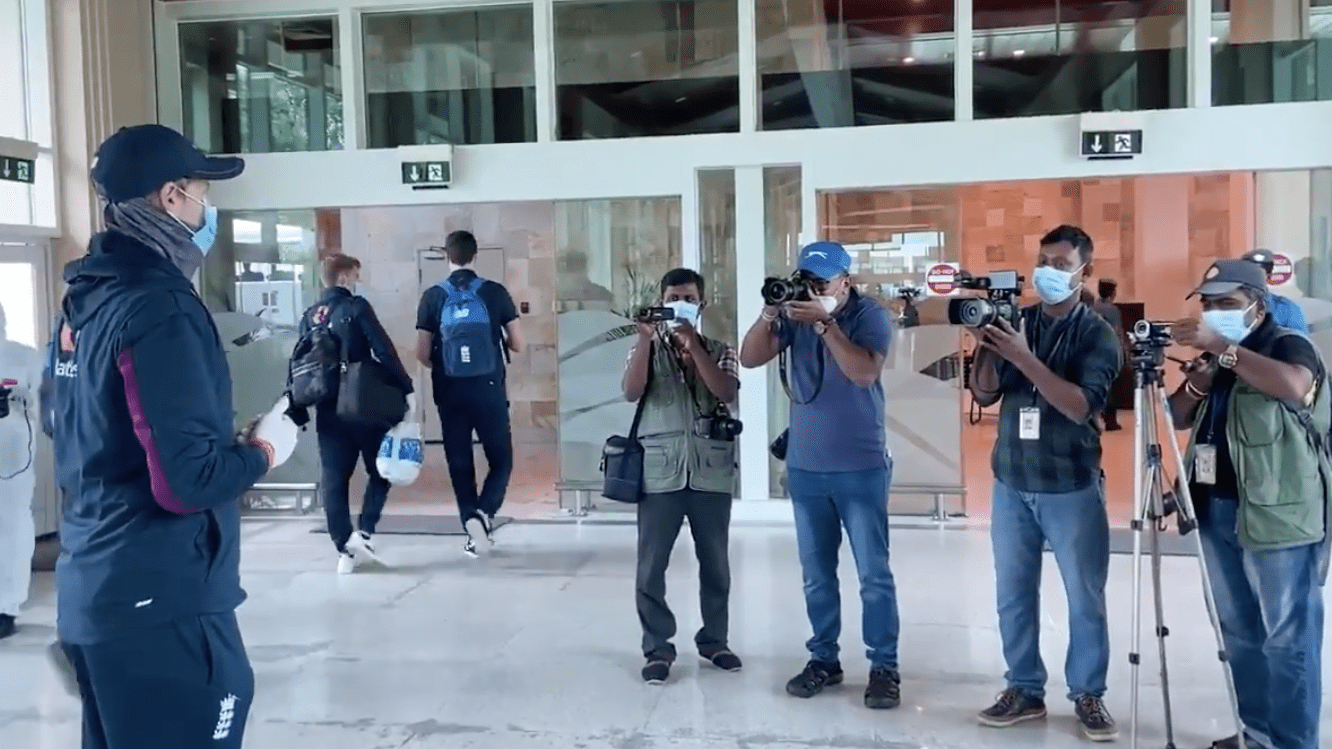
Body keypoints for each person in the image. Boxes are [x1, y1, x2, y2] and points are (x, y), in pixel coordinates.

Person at [50, 124, 299, 749]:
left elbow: (82, 430)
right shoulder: (158, 307)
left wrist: (217, 439)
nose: (205, 209)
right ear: (169, 198)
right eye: (198, 193)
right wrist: (264, 452)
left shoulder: (87, 302)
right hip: (162, 602)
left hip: (95, 589)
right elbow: (186, 484)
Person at [967, 224, 1121, 741]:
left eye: (1060, 263)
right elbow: (984, 394)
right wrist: (988, 344)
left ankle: (1088, 693)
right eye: (1043, 260)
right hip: (1011, 478)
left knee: (1084, 595)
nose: (1048, 272)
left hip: (1070, 484)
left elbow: (1081, 406)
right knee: (1012, 591)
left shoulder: (1097, 333)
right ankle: (1025, 688)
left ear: (1084, 272)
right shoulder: (1018, 321)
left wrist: (1023, 357)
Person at [1168, 259, 1328, 749]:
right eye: (1209, 304)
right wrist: (1201, 376)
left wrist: (1226, 350)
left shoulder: (1286, 343)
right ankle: (1256, 732)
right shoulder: (1220, 354)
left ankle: (1292, 741)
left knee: (1287, 636)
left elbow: (1295, 386)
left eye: (1227, 304)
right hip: (1218, 507)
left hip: (1280, 515)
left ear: (1257, 305)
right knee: (1239, 630)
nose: (1215, 313)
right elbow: (1176, 414)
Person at [739, 241, 900, 710]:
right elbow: (749, 359)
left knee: (873, 574)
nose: (812, 289)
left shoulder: (868, 315)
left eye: (822, 282)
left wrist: (825, 324)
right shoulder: (793, 314)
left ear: (845, 281)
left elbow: (864, 373)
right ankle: (823, 659)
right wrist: (771, 314)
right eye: (806, 279)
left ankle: (884, 666)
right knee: (816, 575)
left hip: (861, 465)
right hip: (807, 467)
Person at [622, 268, 742, 685]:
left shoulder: (719, 348)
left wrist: (694, 346)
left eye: (687, 298)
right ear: (661, 300)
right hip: (659, 474)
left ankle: (715, 640)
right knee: (651, 567)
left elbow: (726, 392)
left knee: (716, 566)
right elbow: (631, 391)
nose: (680, 304)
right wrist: (643, 340)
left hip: (711, 473)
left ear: (701, 303)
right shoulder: (647, 349)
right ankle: (657, 648)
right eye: (672, 297)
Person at [292, 254, 415, 575]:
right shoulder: (357, 308)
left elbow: (301, 362)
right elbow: (384, 349)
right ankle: (365, 531)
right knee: (381, 470)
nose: (357, 281)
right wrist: (406, 388)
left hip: (327, 408)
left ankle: (345, 547)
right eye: (355, 275)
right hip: (362, 403)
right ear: (344, 278)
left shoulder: (309, 316)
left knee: (334, 478)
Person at [415, 230, 523, 557]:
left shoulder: (433, 296)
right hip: (488, 388)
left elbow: (420, 352)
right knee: (501, 459)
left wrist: (446, 365)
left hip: (449, 391)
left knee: (460, 463)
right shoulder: (494, 292)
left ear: (446, 255)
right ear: (476, 255)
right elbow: (518, 343)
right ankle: (484, 513)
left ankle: (471, 526)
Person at [0, 301, 42, 640]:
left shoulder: (25, 358)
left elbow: (48, 401)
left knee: (10, 531)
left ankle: (6, 606)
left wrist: (20, 397)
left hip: (12, 462)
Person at [1241, 249, 1308, 333]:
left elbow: (1300, 343)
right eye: (1248, 273)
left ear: (1269, 275)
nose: (1252, 278)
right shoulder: (1230, 303)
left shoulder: (1286, 308)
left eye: (1258, 274)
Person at [1091, 279, 1127, 431]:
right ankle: (1111, 421)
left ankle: (1094, 418)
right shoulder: (1113, 310)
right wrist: (1125, 350)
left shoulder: (1092, 308)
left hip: (1092, 351)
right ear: (1112, 292)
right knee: (1111, 387)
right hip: (1108, 352)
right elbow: (1117, 332)